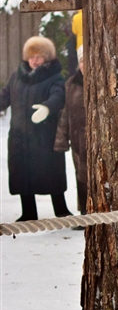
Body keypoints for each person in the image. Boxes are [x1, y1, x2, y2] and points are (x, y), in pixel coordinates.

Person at [0, 36, 71, 221]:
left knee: (51, 173)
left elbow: (59, 96)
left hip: (44, 137)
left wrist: (47, 107)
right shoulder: (17, 76)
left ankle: (61, 211)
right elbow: (4, 96)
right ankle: (28, 212)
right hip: (19, 136)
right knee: (23, 174)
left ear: (47, 58)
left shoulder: (54, 77)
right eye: (31, 56)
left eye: (39, 56)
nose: (34, 60)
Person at [54, 47, 87, 223]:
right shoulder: (72, 84)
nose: (85, 64)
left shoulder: (102, 81)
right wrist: (61, 140)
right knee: (81, 178)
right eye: (82, 61)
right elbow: (65, 113)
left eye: (87, 60)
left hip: (98, 141)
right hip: (77, 141)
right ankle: (85, 215)